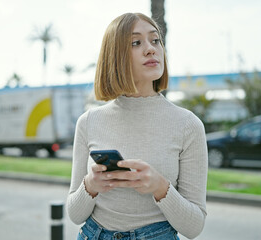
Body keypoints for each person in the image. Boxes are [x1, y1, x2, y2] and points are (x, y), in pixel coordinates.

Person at [67, 12, 208, 240]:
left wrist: (160, 187)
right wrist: (91, 184)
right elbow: (75, 214)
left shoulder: (188, 125)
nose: (151, 49)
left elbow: (194, 227)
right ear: (115, 56)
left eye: (155, 40)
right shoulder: (88, 122)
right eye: (136, 42)